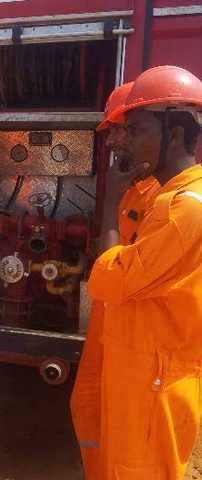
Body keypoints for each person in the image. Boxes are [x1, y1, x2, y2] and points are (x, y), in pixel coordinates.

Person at [88, 65, 202, 480]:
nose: (126, 142)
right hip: (144, 367)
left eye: (136, 131)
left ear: (175, 134)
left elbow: (110, 280)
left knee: (137, 469)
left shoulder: (182, 208)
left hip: (153, 378)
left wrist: (110, 205)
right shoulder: (172, 199)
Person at [70, 82, 159, 479]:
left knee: (128, 431)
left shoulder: (162, 198)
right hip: (107, 323)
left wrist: (108, 203)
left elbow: (115, 277)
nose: (111, 143)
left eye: (121, 132)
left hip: (135, 336)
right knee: (88, 407)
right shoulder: (131, 188)